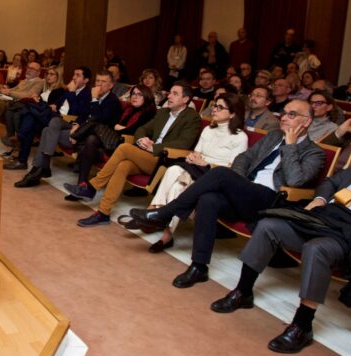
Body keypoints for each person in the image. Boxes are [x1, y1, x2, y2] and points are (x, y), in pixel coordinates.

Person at [210, 123, 351, 353]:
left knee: (317, 248)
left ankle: (302, 325)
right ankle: (243, 291)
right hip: (323, 218)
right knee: (268, 225)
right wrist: (320, 199)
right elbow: (331, 183)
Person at [123, 99, 325, 288]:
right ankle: (199, 266)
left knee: (220, 173)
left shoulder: (314, 152)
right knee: (208, 199)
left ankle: (165, 212)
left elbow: (295, 181)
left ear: (306, 121)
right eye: (284, 113)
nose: (284, 117)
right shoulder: (273, 136)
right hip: (246, 193)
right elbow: (243, 158)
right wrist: (238, 183)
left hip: (271, 200)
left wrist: (290, 146)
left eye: (291, 114)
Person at [71, 82, 201, 226]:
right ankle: (103, 212)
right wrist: (141, 140)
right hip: (147, 155)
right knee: (123, 166)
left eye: (175, 94)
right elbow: (142, 129)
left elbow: (184, 143)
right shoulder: (163, 112)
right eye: (170, 92)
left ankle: (91, 187)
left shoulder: (192, 117)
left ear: (185, 99)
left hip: (165, 160)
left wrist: (154, 147)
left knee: (124, 148)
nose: (169, 96)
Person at [134, 92, 249, 253]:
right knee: (173, 171)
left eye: (220, 107)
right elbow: (197, 152)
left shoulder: (240, 137)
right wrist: (193, 157)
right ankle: (160, 224)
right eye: (214, 105)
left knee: (177, 182)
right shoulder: (208, 130)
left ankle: (156, 219)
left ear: (232, 113)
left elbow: (234, 169)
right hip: (197, 169)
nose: (214, 109)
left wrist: (207, 164)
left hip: (215, 177)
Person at [65, 85, 157, 197]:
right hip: (112, 141)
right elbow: (112, 123)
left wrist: (120, 128)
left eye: (139, 95)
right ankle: (81, 185)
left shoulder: (149, 113)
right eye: (133, 94)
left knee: (96, 126)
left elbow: (135, 131)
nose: (135, 97)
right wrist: (118, 127)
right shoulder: (129, 109)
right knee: (91, 139)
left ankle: (77, 136)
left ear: (146, 96)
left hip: (126, 145)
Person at [10, 67, 92, 181]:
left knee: (33, 112)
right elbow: (57, 104)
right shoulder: (69, 89)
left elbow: (77, 113)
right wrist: (52, 105)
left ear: (86, 80)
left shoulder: (87, 93)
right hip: (57, 118)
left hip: (70, 122)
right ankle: (32, 163)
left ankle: (29, 154)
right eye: (74, 74)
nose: (74, 77)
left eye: (78, 75)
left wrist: (72, 93)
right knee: (33, 120)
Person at [0, 62, 45, 138]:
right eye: (28, 67)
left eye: (32, 69)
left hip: (15, 107)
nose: (29, 70)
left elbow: (29, 95)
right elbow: (13, 90)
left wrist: (9, 92)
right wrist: (5, 89)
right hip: (7, 103)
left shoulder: (39, 82)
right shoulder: (24, 81)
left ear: (38, 73)